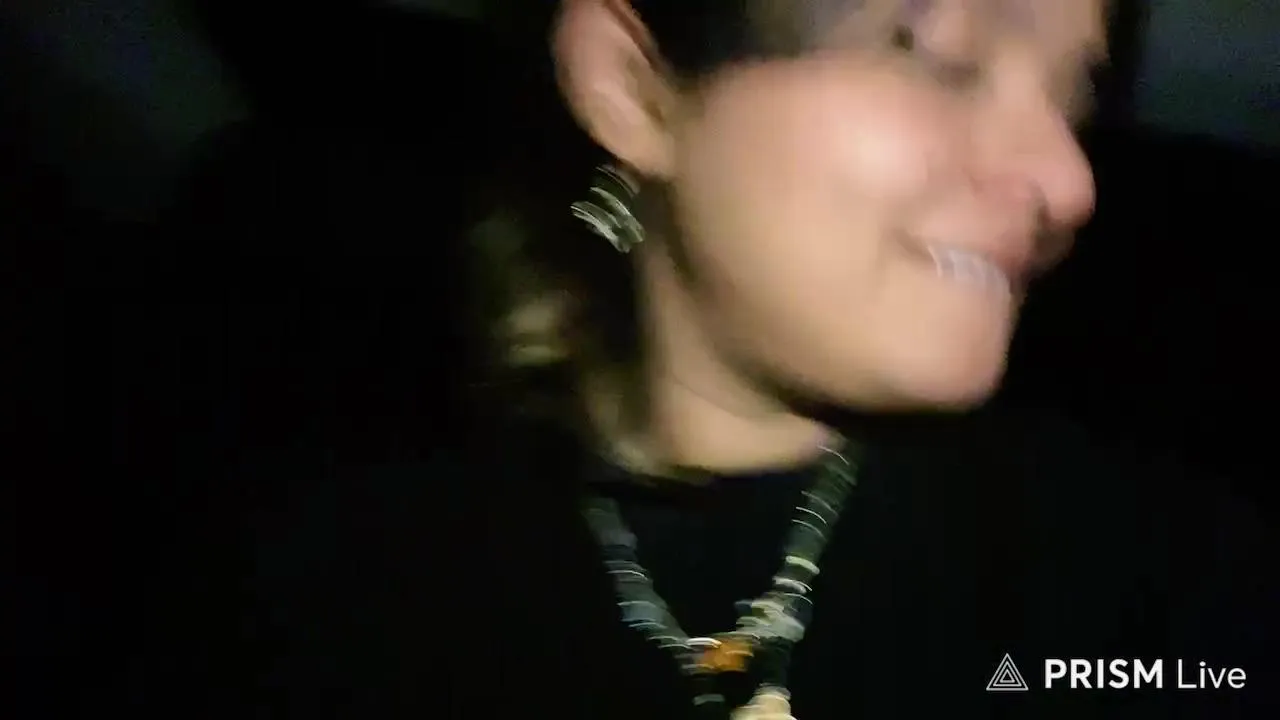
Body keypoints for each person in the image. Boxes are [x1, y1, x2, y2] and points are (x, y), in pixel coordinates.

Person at [236, 1, 1276, 718]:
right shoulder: (332, 609)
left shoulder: (1150, 581)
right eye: (936, 53)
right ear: (632, 85)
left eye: (1073, 94)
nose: (1067, 178)